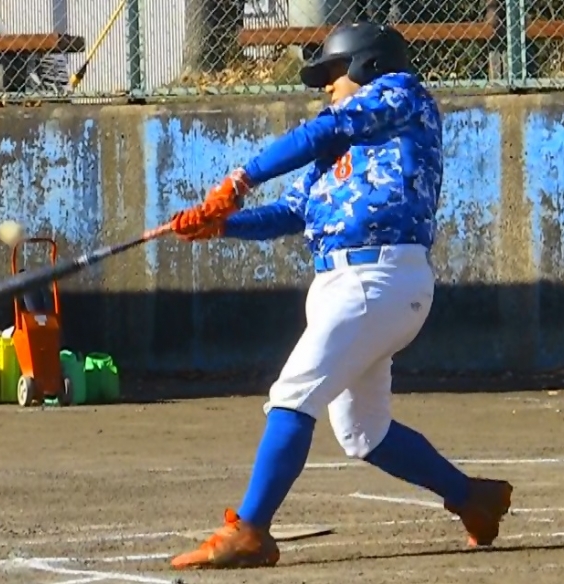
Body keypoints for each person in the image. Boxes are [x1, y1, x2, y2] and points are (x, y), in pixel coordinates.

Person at [167, 21, 514, 570]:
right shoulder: (342, 148)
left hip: (377, 278)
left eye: (334, 72)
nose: (327, 86)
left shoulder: (401, 93)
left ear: (367, 65)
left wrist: (239, 181)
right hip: (346, 285)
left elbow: (318, 131)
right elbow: (292, 212)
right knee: (363, 432)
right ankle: (473, 498)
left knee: (292, 394)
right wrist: (221, 225)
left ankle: (251, 529)